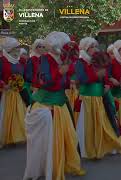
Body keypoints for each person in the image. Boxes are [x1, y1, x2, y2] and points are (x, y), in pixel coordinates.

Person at [24, 32, 85, 180]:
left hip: (61, 104)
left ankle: (64, 163)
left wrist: (72, 76)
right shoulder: (44, 59)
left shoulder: (63, 59)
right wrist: (59, 72)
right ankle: (48, 167)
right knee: (48, 142)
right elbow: (45, 82)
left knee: (69, 137)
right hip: (46, 105)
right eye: (64, 46)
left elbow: (73, 75)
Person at [75, 37, 121, 159]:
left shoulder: (98, 60)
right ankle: (87, 149)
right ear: (85, 48)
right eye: (92, 47)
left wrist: (107, 84)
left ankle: (101, 146)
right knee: (87, 126)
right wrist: (96, 75)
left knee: (102, 123)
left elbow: (107, 76)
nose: (95, 49)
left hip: (99, 98)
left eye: (96, 46)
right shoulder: (80, 62)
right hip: (88, 99)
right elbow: (82, 79)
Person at [0, 37, 26, 147]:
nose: (18, 50)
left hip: (16, 93)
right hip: (5, 93)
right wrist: (3, 85)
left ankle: (14, 136)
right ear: (9, 49)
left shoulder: (19, 61)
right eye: (16, 48)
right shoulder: (2, 61)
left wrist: (19, 83)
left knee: (18, 114)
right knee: (5, 115)